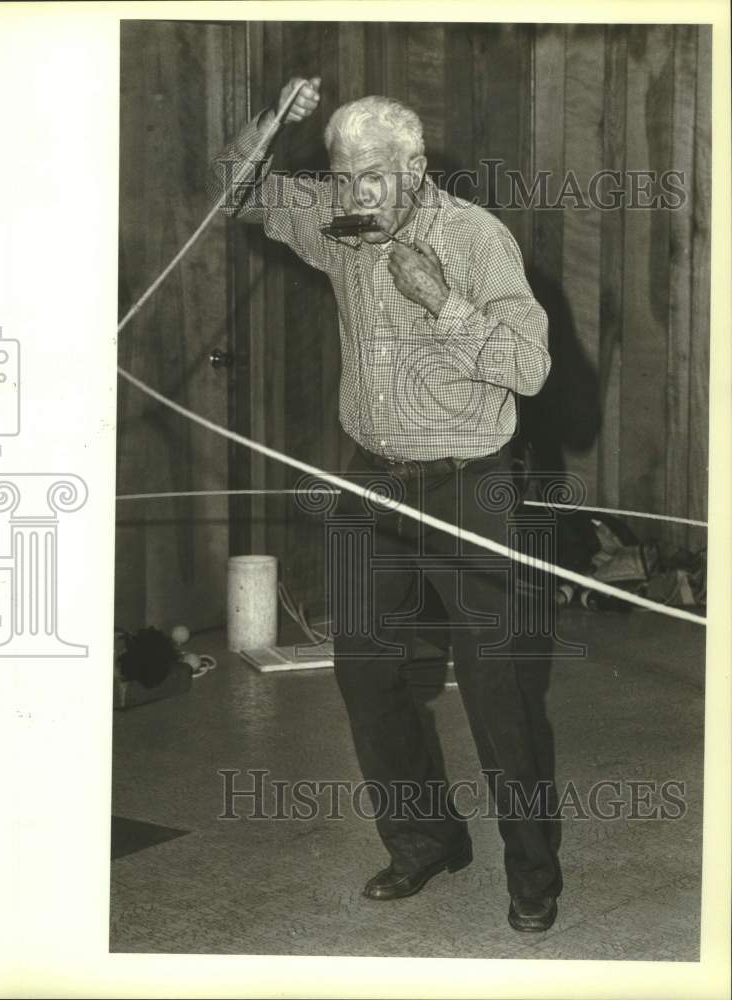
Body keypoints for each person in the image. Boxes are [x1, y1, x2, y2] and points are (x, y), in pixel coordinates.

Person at [210, 77, 561, 933]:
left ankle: (533, 872)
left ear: (415, 168)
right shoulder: (339, 225)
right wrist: (269, 121)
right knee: (365, 670)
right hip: (373, 483)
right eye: (341, 175)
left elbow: (530, 368)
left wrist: (442, 301)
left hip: (470, 484)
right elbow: (236, 191)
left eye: (372, 177)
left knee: (497, 685)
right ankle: (424, 841)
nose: (355, 194)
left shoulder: (475, 238)